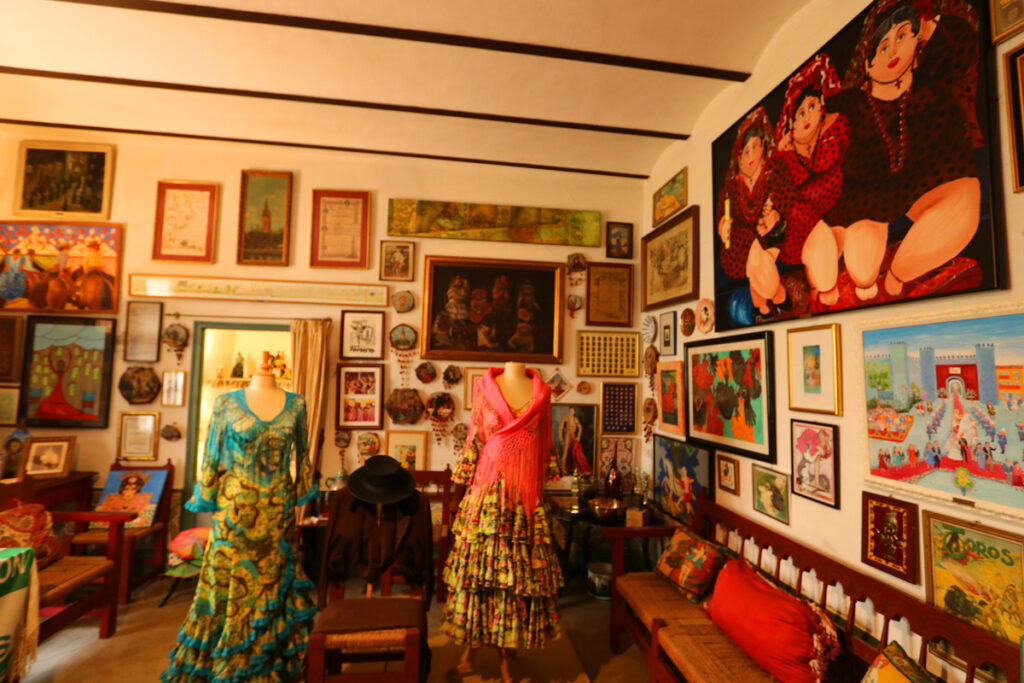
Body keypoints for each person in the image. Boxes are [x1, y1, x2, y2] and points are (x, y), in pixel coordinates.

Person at [162, 357, 317, 682]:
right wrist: (206, 492)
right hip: (234, 514)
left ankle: (271, 658)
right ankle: (221, 659)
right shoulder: (226, 404)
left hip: (277, 513)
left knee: (274, 582)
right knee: (227, 583)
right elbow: (212, 456)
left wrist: (302, 491)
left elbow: (302, 456)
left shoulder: (297, 405)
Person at [830, 0, 983, 301]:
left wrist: (930, 24)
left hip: (928, 181)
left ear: (918, 40)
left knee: (962, 208)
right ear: (867, 63)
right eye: (883, 46)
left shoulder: (932, 82)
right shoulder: (854, 103)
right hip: (869, 195)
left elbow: (964, 43)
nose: (893, 52)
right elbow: (823, 115)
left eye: (902, 36)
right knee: (863, 274)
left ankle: (899, 275)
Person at [442, 362, 562, 683]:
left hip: (524, 497)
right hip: (489, 494)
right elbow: (475, 436)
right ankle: (475, 648)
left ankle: (508, 643)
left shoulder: (543, 393)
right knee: (482, 574)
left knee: (518, 575)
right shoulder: (483, 388)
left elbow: (545, 441)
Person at [768, 52, 849, 307]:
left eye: (811, 107)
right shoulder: (783, 159)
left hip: (839, 211)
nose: (806, 118)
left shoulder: (837, 129)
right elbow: (786, 203)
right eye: (799, 113)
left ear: (822, 105)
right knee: (825, 273)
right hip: (802, 225)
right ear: (791, 122)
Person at [716, 107, 778, 316]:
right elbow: (722, 213)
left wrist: (775, 215)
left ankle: (769, 299)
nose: (750, 155)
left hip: (769, 237)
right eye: (745, 151)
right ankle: (772, 297)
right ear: (739, 158)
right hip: (741, 244)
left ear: (763, 147)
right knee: (753, 256)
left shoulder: (772, 175)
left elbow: (784, 203)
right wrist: (722, 226)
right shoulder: (732, 188)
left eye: (755, 147)